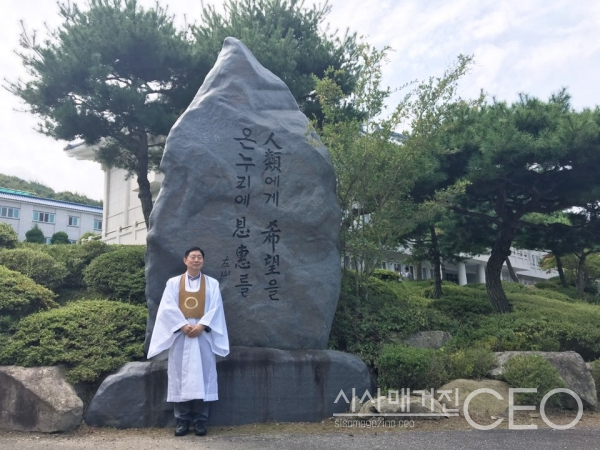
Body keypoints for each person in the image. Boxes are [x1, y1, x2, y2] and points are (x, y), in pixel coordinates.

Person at [148, 247, 229, 437]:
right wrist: (182, 325)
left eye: (199, 257)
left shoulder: (212, 284)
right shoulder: (174, 283)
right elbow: (167, 307)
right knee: (180, 377)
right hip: (181, 336)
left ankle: (201, 420)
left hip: (203, 336)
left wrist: (202, 325)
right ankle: (182, 420)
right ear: (185, 260)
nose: (196, 260)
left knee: (204, 376)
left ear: (203, 261)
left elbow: (216, 308)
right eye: (192, 257)